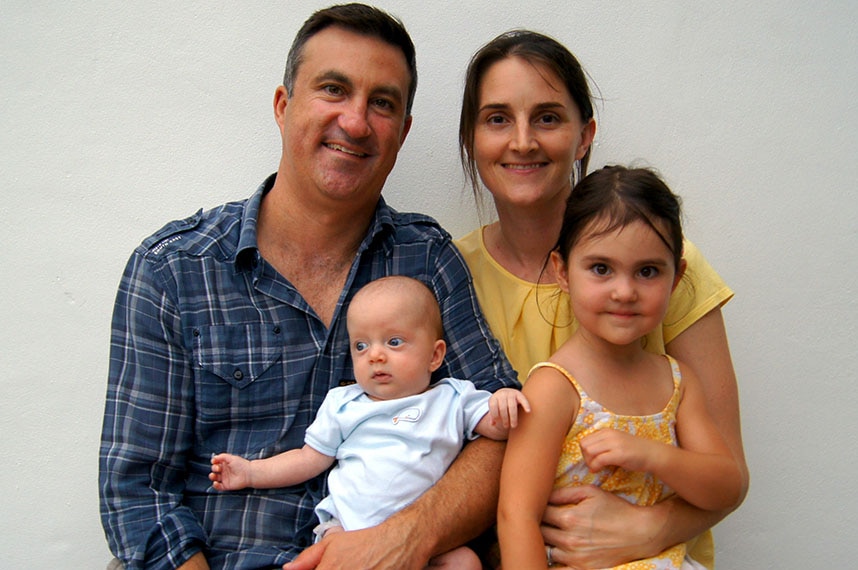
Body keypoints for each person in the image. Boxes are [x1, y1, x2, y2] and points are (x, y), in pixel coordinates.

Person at [99, 5, 519, 570]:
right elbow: (138, 491)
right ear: (282, 105)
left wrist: (406, 537)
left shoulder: (427, 259)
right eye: (333, 89)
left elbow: (502, 430)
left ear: (402, 132)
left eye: (383, 103)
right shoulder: (173, 270)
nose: (355, 121)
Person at [455, 31, 749, 568]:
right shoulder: (450, 277)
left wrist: (645, 528)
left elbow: (728, 474)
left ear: (584, 134)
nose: (522, 141)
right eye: (497, 118)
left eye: (547, 117)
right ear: (472, 136)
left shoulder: (668, 264)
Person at [496, 166, 745, 569]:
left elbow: (727, 486)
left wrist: (652, 455)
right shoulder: (554, 388)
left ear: (676, 277)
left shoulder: (678, 382)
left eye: (647, 271)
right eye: (601, 269)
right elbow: (516, 515)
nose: (624, 291)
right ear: (562, 271)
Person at [210, 276, 528, 570]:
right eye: (361, 346)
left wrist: (502, 400)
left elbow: (500, 430)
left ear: (435, 355)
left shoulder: (453, 398)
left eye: (393, 342)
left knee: (466, 562)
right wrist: (251, 472)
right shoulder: (344, 402)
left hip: (423, 540)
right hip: (346, 532)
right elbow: (308, 459)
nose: (374, 355)